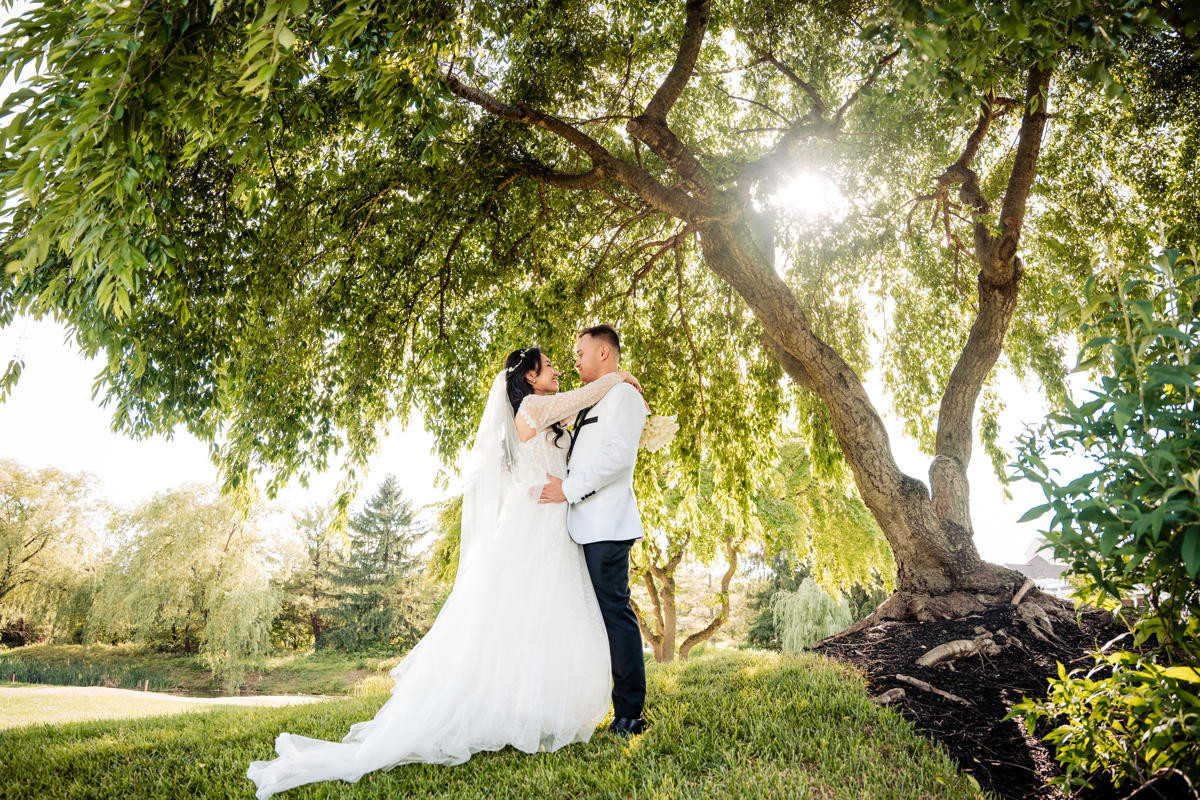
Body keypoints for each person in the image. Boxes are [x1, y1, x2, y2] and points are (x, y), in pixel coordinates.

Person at [246, 345, 644, 800]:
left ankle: (541, 707)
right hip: (536, 524)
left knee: (545, 619)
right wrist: (618, 377)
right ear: (530, 378)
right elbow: (584, 395)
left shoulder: (550, 415)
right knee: (524, 617)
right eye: (549, 365)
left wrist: (617, 397)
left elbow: (585, 415)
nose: (558, 369)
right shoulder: (533, 409)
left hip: (556, 524)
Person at [538, 324, 650, 736]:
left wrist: (566, 490)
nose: (575, 361)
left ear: (604, 353)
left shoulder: (624, 397)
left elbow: (618, 458)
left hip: (606, 525)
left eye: (580, 353)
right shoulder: (597, 397)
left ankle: (630, 713)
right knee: (595, 618)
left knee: (616, 616)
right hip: (583, 527)